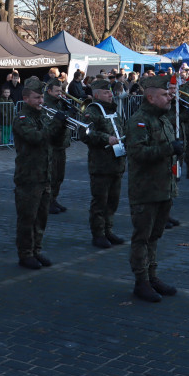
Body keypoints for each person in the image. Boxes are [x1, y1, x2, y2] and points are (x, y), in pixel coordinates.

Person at [125, 75, 182, 302]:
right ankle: (141, 282)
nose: (170, 97)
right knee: (142, 237)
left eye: (169, 93)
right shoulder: (139, 121)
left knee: (155, 236)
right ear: (150, 97)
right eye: (165, 94)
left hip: (164, 187)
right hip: (146, 189)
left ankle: (152, 275)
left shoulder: (164, 119)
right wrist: (170, 149)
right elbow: (138, 153)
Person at [12, 77, 68, 269]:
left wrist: (62, 125)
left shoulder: (42, 116)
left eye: (41, 98)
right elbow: (37, 138)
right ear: (26, 98)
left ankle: (36, 250)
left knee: (41, 217)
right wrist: (55, 125)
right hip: (29, 176)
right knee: (27, 218)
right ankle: (25, 254)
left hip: (44, 175)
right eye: (37, 98)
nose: (41, 102)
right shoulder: (22, 119)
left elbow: (54, 141)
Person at [82, 79, 126, 249]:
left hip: (116, 163)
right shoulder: (93, 111)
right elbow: (85, 133)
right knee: (100, 201)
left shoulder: (113, 110)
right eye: (106, 92)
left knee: (113, 201)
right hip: (101, 164)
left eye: (110, 92)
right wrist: (105, 138)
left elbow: (121, 129)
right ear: (97, 94)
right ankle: (98, 234)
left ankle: (108, 230)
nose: (110, 94)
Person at [43, 78, 71, 215]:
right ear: (49, 91)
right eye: (57, 91)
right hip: (52, 146)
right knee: (51, 175)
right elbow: (50, 126)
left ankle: (53, 198)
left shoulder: (59, 103)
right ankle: (47, 201)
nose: (60, 94)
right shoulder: (46, 104)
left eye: (61, 91)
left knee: (60, 175)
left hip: (61, 145)